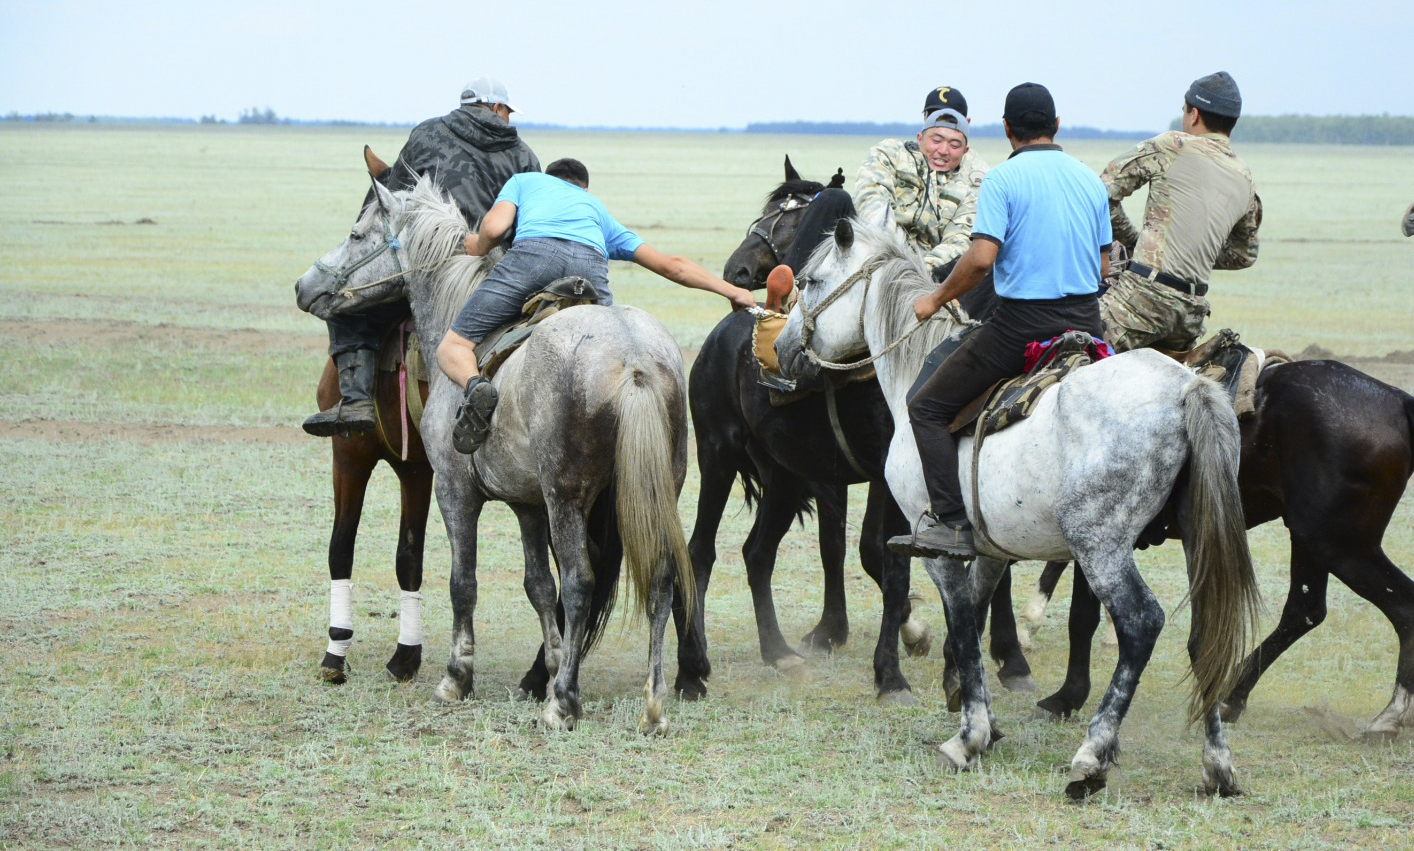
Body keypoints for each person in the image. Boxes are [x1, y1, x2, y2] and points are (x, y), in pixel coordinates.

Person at [890, 83, 1112, 559]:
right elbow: (1105, 268)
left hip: (1022, 328)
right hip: (1089, 325)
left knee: (926, 408)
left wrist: (934, 299)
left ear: (1007, 130)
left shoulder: (1002, 181)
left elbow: (981, 260)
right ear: (1057, 126)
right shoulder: (1091, 180)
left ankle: (949, 524)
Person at [437, 158, 757, 454]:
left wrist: (475, 245)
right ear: (585, 190)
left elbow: (493, 230)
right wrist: (732, 291)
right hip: (590, 268)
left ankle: (477, 387)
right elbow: (672, 266)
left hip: (533, 257)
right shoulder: (597, 211)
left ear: (549, 180)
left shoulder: (525, 181)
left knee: (454, 345)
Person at [302, 76, 540, 438]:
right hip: (498, 279)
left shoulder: (427, 135)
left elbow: (389, 204)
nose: (508, 119)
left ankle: (355, 400)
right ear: (495, 108)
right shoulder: (524, 155)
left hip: (432, 272)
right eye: (506, 111)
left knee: (346, 302)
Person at [1097, 71, 1261, 353]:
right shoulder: (1245, 177)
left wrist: (1136, 242)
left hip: (1143, 299)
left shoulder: (1172, 145)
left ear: (1194, 114)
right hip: (1191, 314)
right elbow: (1243, 255)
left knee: (1072, 350)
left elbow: (1101, 194)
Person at [780, 88, 990, 302]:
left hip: (926, 266)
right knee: (833, 198)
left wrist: (909, 269)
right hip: (875, 243)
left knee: (974, 253)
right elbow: (871, 200)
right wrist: (887, 254)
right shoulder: (892, 152)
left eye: (953, 141)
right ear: (923, 131)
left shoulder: (980, 178)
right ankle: (787, 292)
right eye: (934, 118)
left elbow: (960, 238)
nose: (943, 149)